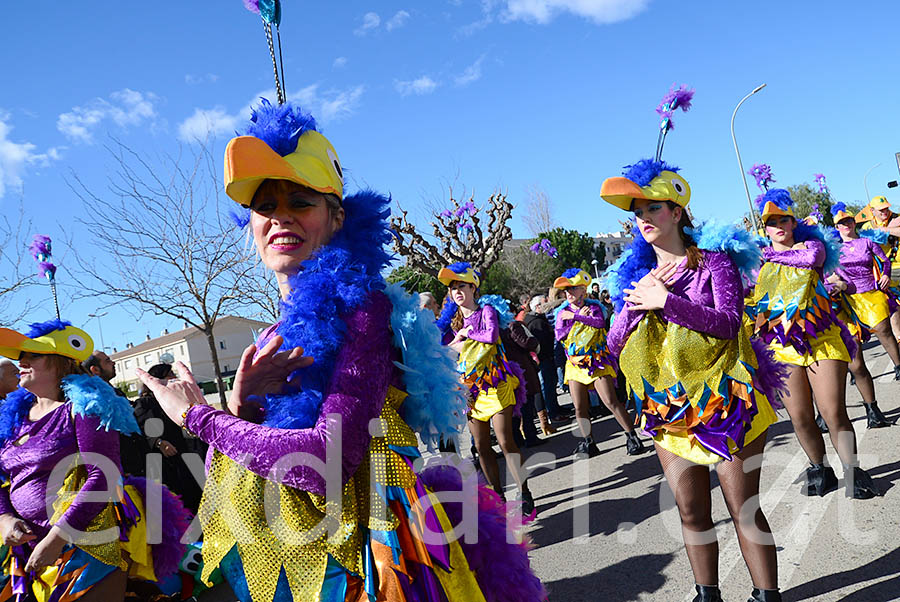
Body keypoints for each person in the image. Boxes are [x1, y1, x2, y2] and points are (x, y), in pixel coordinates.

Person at [136, 101, 545, 602]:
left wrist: (198, 417)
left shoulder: (361, 307)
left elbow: (325, 464)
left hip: (364, 551)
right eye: (265, 206)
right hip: (286, 544)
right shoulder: (272, 333)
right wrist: (240, 403)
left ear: (335, 218)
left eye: (300, 201)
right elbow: (257, 448)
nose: (280, 218)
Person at [602, 156, 783, 602]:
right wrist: (634, 303)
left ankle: (767, 596)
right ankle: (708, 595)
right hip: (669, 409)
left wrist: (667, 301)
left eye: (653, 208)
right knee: (690, 511)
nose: (644, 219)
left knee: (743, 509)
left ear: (677, 211)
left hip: (726, 399)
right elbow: (613, 345)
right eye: (637, 212)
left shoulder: (712, 262)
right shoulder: (636, 277)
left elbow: (727, 322)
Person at [0, 321, 188, 601]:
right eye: (20, 356)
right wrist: (4, 519)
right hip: (28, 548)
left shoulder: (84, 407)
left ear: (61, 362)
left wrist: (57, 538)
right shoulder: (14, 417)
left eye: (33, 355)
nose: (22, 362)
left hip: (85, 547)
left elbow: (104, 475)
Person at [746, 189, 880, 500]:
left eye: (784, 219)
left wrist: (766, 255)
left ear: (793, 223)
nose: (779, 226)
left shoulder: (812, 246)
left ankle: (852, 470)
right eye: (772, 222)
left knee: (833, 412)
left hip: (822, 339)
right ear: (764, 228)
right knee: (801, 417)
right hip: (781, 346)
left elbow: (809, 260)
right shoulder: (756, 265)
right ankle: (819, 468)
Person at [437, 263, 536, 513]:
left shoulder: (487, 310)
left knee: (505, 440)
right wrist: (456, 342)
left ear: (473, 287)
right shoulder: (452, 322)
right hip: (471, 390)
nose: (456, 291)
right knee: (481, 446)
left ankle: (524, 492)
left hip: (497, 384)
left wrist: (466, 335)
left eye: (461, 286)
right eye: (452, 288)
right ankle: (498, 498)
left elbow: (491, 336)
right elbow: (443, 352)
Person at [554, 268, 644, 457]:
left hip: (597, 362)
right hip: (575, 365)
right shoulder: (562, 313)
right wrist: (574, 319)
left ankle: (632, 437)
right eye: (566, 290)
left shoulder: (594, 307)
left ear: (583, 291)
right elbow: (559, 335)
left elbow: (599, 323)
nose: (569, 293)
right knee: (579, 407)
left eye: (573, 289)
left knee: (611, 401)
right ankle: (589, 442)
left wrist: (577, 317)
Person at [826, 202, 898, 427]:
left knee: (884, 330)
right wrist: (834, 283)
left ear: (853, 223)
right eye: (840, 223)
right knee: (856, 362)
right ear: (836, 227)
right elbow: (828, 274)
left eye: (848, 221)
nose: (845, 225)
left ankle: (898, 365)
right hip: (846, 303)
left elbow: (884, 261)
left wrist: (885, 275)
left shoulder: (867, 242)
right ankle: (872, 411)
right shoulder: (832, 250)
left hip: (871, 294)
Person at [133, 363, 207, 513]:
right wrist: (158, 442)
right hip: (169, 461)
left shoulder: (179, 397)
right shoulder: (146, 403)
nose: (173, 378)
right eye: (169, 375)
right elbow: (143, 427)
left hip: (189, 452)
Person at [82, 349, 151, 478]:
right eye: (107, 361)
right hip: (121, 471)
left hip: (140, 462)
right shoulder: (92, 399)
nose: (113, 363)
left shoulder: (117, 393)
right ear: (95, 369)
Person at [523, 295, 569, 432]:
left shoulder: (537, 319)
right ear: (537, 307)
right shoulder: (535, 322)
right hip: (543, 359)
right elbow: (539, 342)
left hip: (546, 357)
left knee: (550, 385)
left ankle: (555, 408)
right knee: (547, 387)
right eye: (544, 303)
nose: (547, 304)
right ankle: (553, 413)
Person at [859, 195, 900, 340]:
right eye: (881, 210)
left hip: (898, 266)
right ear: (872, 211)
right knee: (892, 307)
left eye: (886, 208)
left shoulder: (897, 218)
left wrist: (884, 230)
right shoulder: (867, 227)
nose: (885, 212)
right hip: (884, 272)